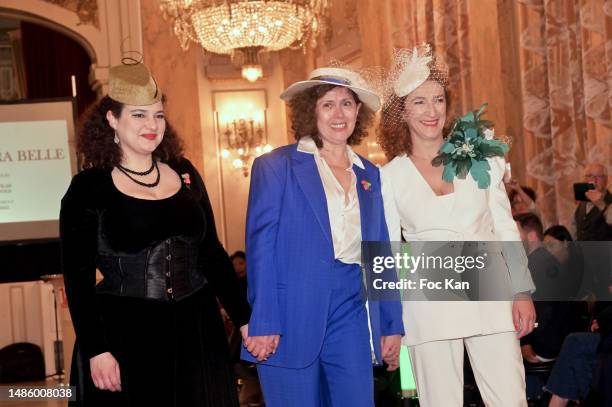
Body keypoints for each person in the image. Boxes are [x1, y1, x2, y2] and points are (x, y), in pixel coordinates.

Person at [60, 60, 251, 406]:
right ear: (112, 120)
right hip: (124, 335)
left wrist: (245, 319)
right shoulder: (88, 188)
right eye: (139, 115)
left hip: (197, 329)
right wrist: (96, 348)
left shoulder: (184, 172)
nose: (152, 125)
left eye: (158, 115)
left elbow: (211, 253)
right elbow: (78, 278)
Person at [379, 45, 536, 406]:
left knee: (511, 399)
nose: (431, 111)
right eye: (419, 102)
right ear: (401, 111)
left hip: (490, 294)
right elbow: (387, 252)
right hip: (426, 306)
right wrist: (389, 324)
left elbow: (504, 227)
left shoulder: (481, 155)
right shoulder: (389, 177)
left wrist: (522, 292)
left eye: (437, 100)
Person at [241, 66, 404, 406]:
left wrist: (391, 323)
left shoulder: (369, 173)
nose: (338, 113)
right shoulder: (275, 166)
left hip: (352, 308)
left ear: (358, 112)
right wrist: (265, 319)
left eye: (347, 103)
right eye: (328, 104)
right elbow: (261, 251)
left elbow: (380, 253)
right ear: (310, 110)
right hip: (290, 313)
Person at [574, 162, 611, 241]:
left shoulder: (610, 200)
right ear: (585, 179)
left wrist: (601, 204)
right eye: (590, 176)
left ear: (606, 179)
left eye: (599, 176)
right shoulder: (583, 200)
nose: (594, 180)